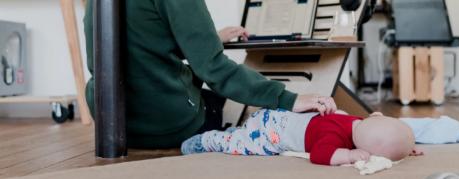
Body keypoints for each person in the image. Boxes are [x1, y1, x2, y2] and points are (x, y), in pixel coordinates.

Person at [83, 0, 337, 149]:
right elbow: (215, 69)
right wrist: (289, 99)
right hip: (165, 125)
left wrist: (209, 38)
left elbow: (142, 46)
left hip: (112, 124)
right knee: (236, 110)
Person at [181, 110, 423, 165]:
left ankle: (239, 131)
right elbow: (320, 155)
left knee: (244, 132)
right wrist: (348, 155)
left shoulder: (358, 120)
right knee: (241, 146)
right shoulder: (333, 136)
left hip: (275, 117)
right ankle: (207, 140)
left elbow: (383, 131)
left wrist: (406, 147)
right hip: (270, 134)